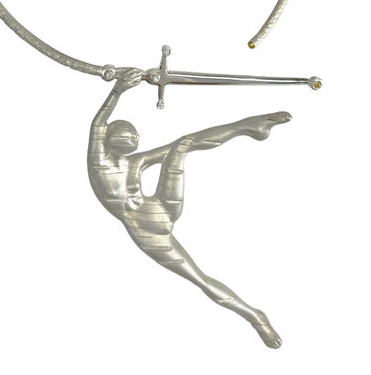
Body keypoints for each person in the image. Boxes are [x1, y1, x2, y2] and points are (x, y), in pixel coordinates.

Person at [88, 68, 291, 348]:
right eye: (127, 134)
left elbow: (186, 143)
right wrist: (117, 91)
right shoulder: (99, 163)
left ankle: (249, 126)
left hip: (162, 209)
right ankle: (255, 316)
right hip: (147, 232)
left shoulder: (136, 162)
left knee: (182, 145)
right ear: (110, 138)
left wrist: (241, 124)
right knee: (201, 280)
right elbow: (98, 124)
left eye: (135, 135)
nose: (134, 138)